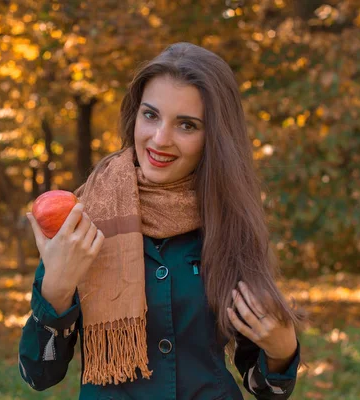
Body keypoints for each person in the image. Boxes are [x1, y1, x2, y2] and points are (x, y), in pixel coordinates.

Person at [18, 42, 304, 399]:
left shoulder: (229, 223)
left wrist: (282, 350)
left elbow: (264, 387)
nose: (160, 139)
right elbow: (38, 374)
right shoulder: (82, 219)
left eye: (186, 125)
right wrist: (55, 292)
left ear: (213, 137)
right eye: (150, 116)